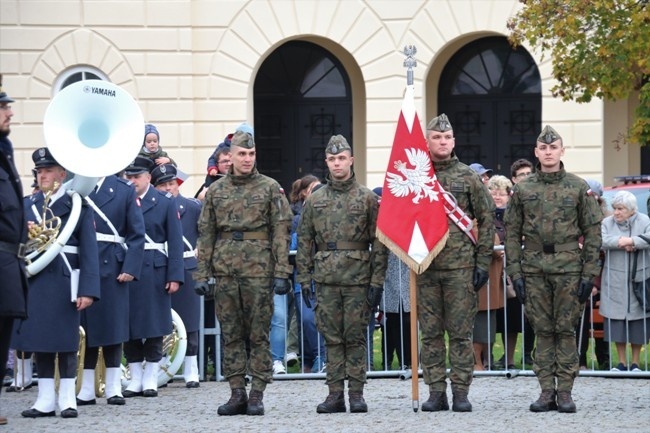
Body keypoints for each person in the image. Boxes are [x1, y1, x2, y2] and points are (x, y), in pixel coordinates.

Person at [193, 129, 293, 416]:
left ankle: (257, 393)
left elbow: (280, 231)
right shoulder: (218, 190)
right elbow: (207, 232)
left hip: (259, 271)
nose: (247, 159)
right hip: (226, 271)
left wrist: (282, 271)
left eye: (251, 154)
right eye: (241, 154)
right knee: (232, 334)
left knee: (259, 333)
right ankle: (237, 391)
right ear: (230, 156)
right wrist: (202, 273)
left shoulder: (270, 188)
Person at [504, 125, 603, 413]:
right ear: (536, 152)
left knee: (566, 330)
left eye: (553, 147)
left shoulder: (577, 186)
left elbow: (593, 232)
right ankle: (546, 390)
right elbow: (512, 233)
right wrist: (516, 273)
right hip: (534, 268)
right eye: (543, 148)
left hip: (569, 268)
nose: (548, 152)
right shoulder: (523, 188)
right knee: (543, 330)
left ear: (562, 151)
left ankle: (566, 392)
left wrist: (589, 274)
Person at [296, 134, 387, 414]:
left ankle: (357, 394)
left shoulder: (368, 198)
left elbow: (379, 242)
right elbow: (304, 240)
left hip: (358, 279)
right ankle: (335, 393)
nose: (337, 163)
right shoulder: (315, 199)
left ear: (351, 160)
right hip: (326, 279)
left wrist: (377, 281)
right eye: (332, 159)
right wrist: (304, 277)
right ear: (327, 161)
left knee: (357, 337)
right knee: (332, 339)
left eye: (342, 158)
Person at [13, 148, 100, 419]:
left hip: (65, 281)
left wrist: (88, 289)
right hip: (37, 282)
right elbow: (18, 248)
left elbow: (89, 251)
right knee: (40, 341)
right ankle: (45, 399)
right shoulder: (27, 205)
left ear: (62, 174)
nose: (42, 176)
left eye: (48, 170)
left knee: (66, 341)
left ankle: (67, 398)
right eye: (39, 172)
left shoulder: (78, 205)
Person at [417, 114, 494, 412]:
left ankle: (461, 390)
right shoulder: (417, 176)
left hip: (461, 268)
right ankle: (436, 391)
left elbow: (486, 220)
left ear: (454, 141)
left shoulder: (468, 176)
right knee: (432, 334)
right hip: (426, 267)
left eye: (447, 137)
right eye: (436, 138)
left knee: (461, 333)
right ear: (427, 142)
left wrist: (482, 262)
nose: (442, 142)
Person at [76, 173, 146, 406]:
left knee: (113, 327)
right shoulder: (76, 186)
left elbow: (137, 234)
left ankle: (113, 385)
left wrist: (130, 267)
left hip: (113, 266)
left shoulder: (124, 189)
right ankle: (86, 387)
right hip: (84, 263)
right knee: (86, 327)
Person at [122, 156, 184, 398]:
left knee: (154, 324)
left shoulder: (163, 202)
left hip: (155, 269)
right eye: (129, 176)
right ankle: (135, 375)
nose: (133, 181)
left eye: (137, 176)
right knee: (129, 324)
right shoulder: (123, 199)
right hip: (127, 267)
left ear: (149, 177)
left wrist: (175, 275)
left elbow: (175, 240)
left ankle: (151, 375)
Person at [151, 164, 203, 387]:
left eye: (171, 183)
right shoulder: (152, 208)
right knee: (161, 322)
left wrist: (202, 247)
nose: (168, 188)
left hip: (187, 265)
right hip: (161, 266)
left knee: (190, 323)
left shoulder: (192, 207)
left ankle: (192, 369)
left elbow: (206, 231)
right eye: (162, 185)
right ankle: (164, 368)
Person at [0, 79, 28, 426]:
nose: (10, 112)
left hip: (8, 258)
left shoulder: (4, 152)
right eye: (4, 107)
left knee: (4, 329)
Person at [600, 190, 650, 372]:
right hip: (614, 278)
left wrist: (633, 241)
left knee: (638, 322)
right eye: (615, 208)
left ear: (631, 210)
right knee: (617, 321)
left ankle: (636, 363)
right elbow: (603, 240)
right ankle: (621, 362)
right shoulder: (607, 222)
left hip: (639, 278)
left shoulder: (644, 220)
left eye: (620, 209)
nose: (617, 212)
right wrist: (622, 242)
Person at [473, 175, 509, 371]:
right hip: (480, 282)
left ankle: (485, 361)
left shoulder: (487, 220)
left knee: (487, 325)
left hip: (491, 281)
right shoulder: (475, 222)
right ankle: (476, 362)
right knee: (479, 325)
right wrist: (498, 249)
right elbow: (491, 246)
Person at [508, 158, 535, 367]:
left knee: (535, 313)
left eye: (529, 174)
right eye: (521, 175)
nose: (526, 178)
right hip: (515, 263)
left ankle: (530, 353)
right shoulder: (513, 201)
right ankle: (511, 356)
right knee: (514, 313)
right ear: (514, 180)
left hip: (536, 262)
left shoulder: (537, 197)